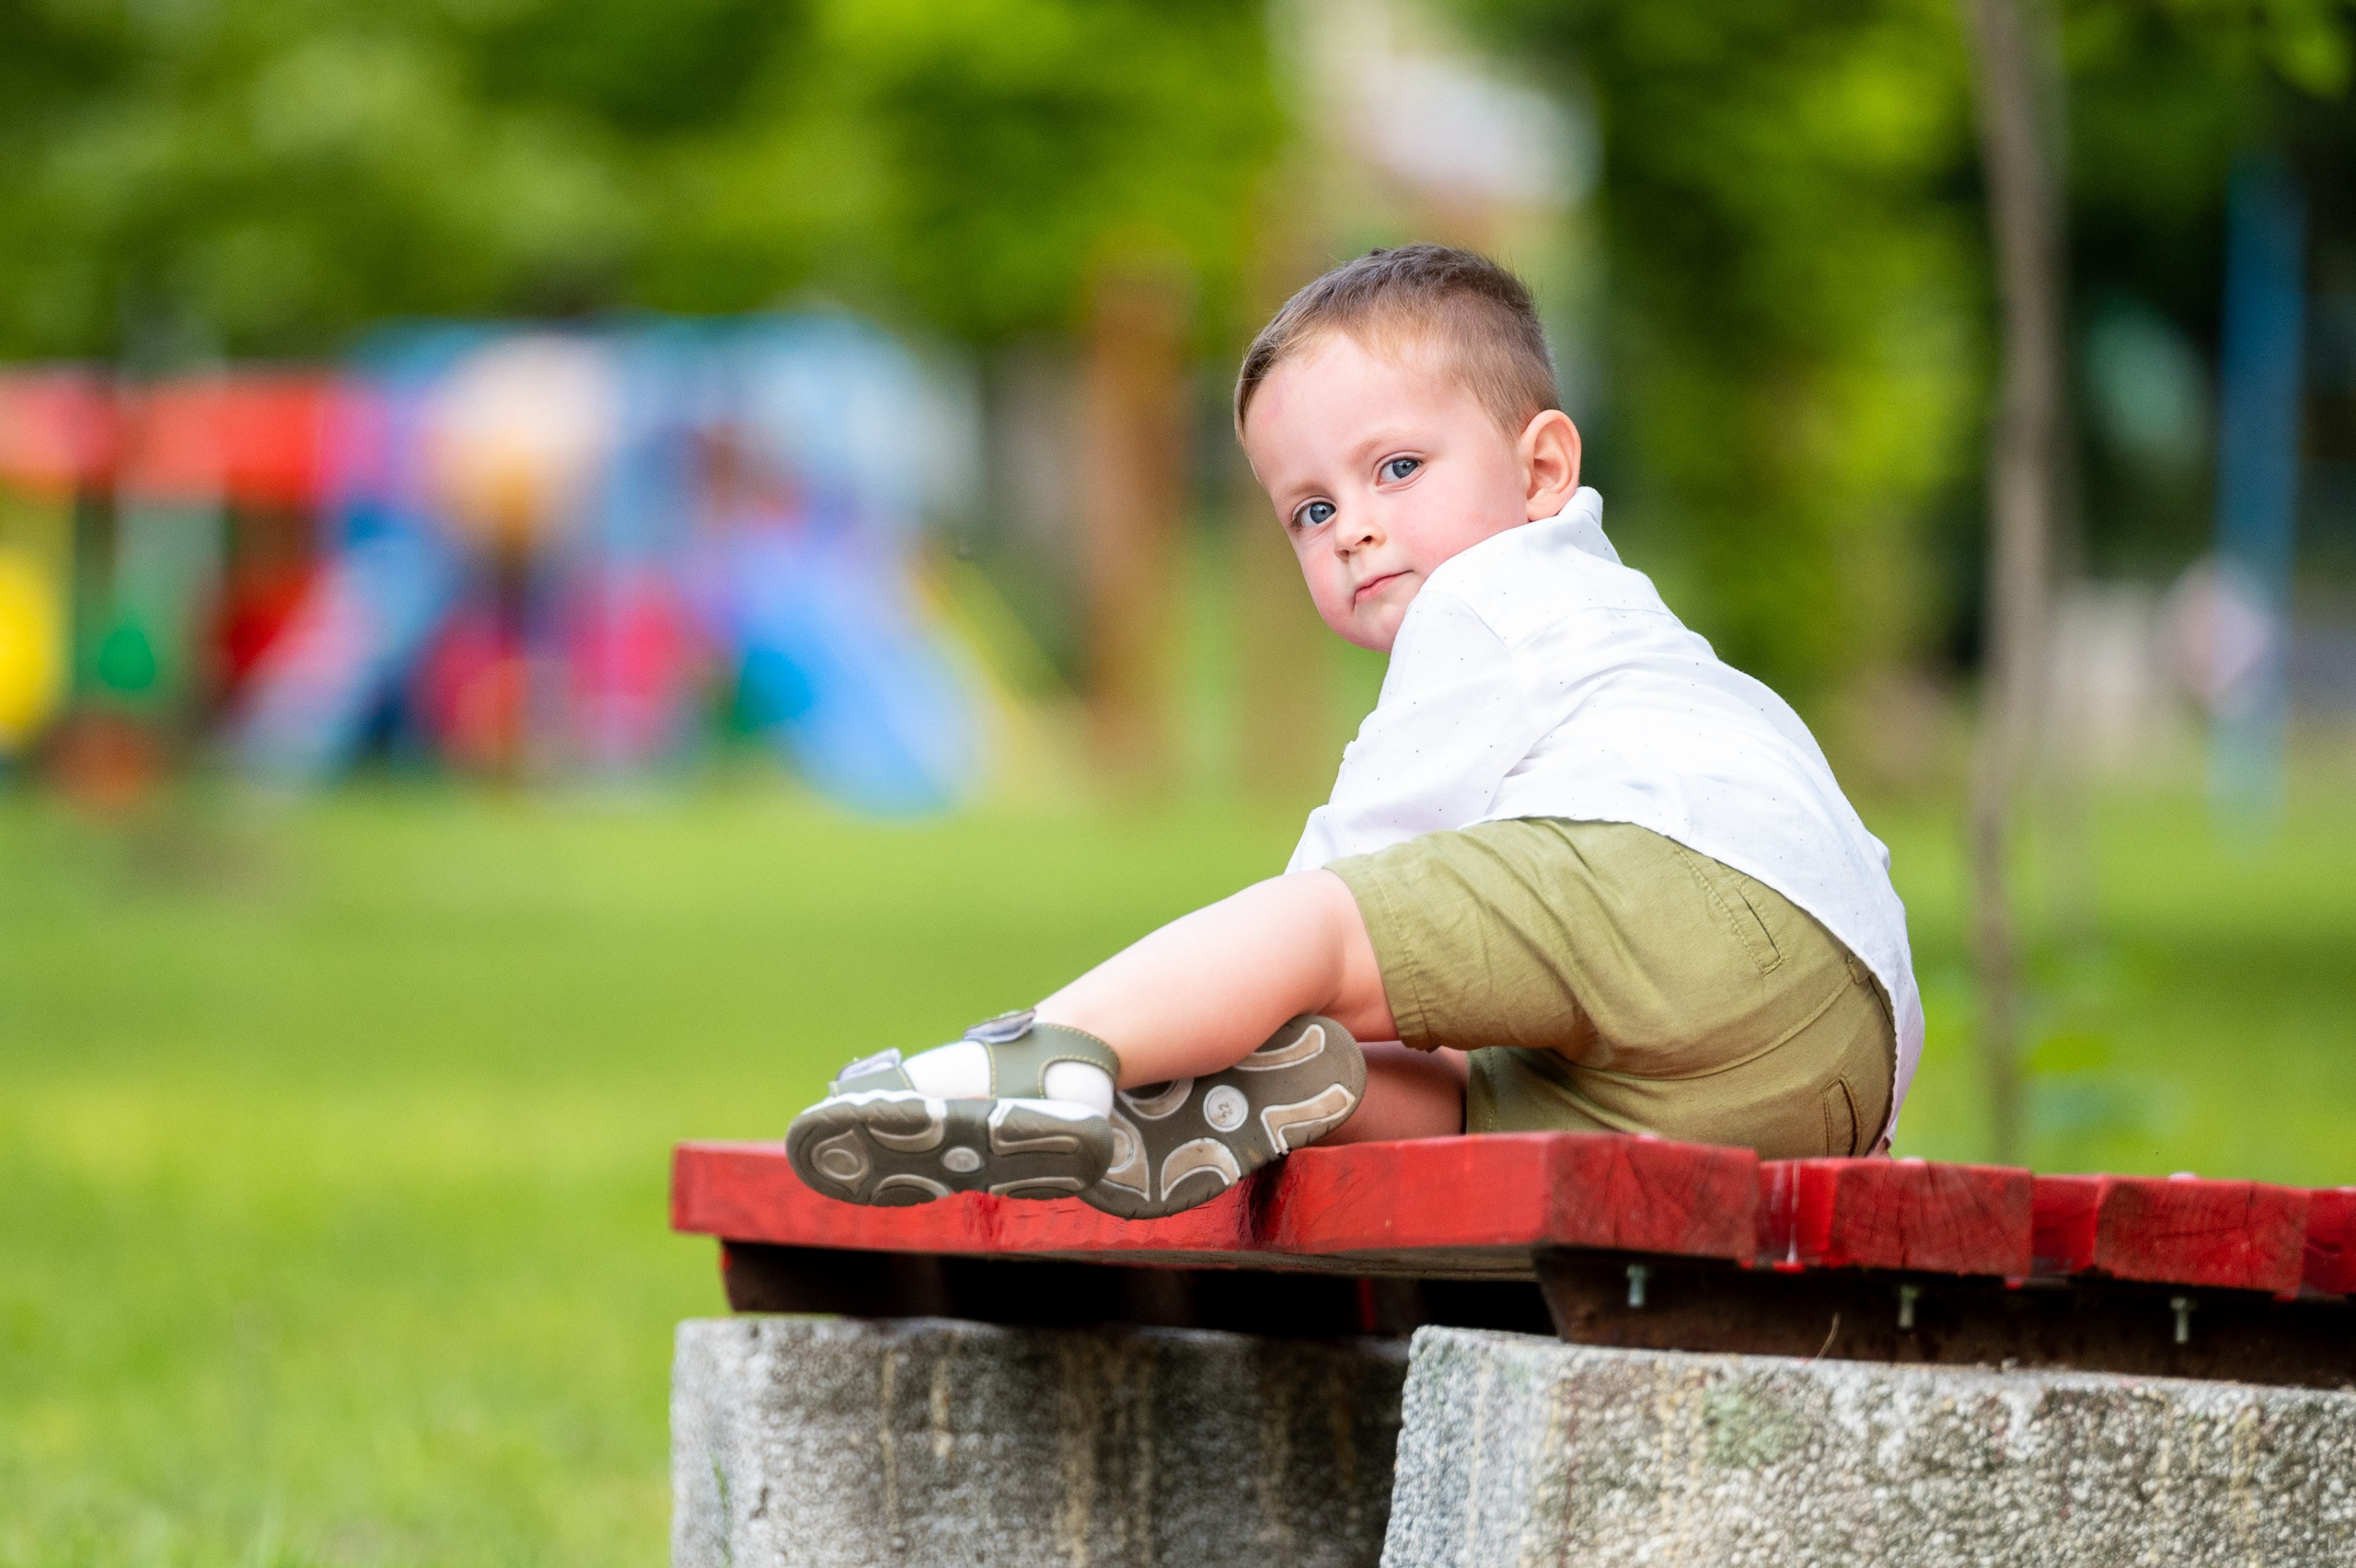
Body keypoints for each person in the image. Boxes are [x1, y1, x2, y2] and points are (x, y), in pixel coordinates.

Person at [787, 244, 1923, 1219]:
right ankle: (1279, 1094)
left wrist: (1234, 987)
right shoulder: (1632, 634)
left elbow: (1343, 893)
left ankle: (1041, 1058)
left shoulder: (1496, 598)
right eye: (1313, 510)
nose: (1355, 532)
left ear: (1541, 471)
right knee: (1475, 1115)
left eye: (1397, 469)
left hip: (1690, 896)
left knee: (1314, 941)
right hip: (1821, 1072)